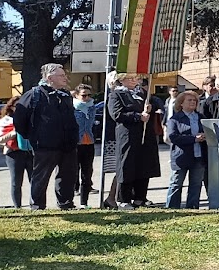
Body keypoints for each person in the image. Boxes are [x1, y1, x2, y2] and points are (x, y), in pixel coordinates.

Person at [12, 63, 79, 211]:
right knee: (41, 177)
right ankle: (37, 206)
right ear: (50, 78)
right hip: (45, 145)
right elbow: (19, 119)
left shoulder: (65, 95)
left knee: (67, 175)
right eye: (61, 76)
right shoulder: (34, 94)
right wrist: (32, 136)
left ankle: (66, 203)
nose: (65, 78)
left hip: (68, 144)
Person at [106, 73, 160, 209]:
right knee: (127, 165)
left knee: (144, 165)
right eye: (129, 78)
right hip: (128, 135)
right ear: (121, 80)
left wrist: (149, 109)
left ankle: (140, 198)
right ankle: (124, 199)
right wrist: (137, 116)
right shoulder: (116, 95)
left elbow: (151, 110)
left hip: (144, 134)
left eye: (135, 78)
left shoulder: (142, 93)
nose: (133, 80)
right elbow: (117, 114)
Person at [165, 90, 207, 209]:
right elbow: (173, 137)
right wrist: (193, 139)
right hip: (181, 157)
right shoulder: (175, 119)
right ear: (181, 103)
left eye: (195, 100)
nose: (193, 102)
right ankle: (172, 208)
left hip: (198, 156)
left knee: (196, 184)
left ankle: (193, 207)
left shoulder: (200, 117)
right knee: (176, 184)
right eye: (189, 100)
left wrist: (205, 136)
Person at [0, 97, 33, 208]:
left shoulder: (30, 118)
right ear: (11, 107)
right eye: (17, 106)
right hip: (13, 153)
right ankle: (17, 207)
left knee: (34, 180)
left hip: (29, 152)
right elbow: (0, 139)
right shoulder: (6, 120)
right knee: (16, 182)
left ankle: (35, 205)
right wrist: (14, 132)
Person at [73, 85, 97, 208]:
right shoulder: (72, 108)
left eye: (89, 95)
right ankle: (68, 201)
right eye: (83, 95)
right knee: (73, 173)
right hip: (76, 144)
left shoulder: (92, 108)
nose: (86, 98)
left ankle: (84, 203)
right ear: (76, 95)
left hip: (89, 143)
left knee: (87, 174)